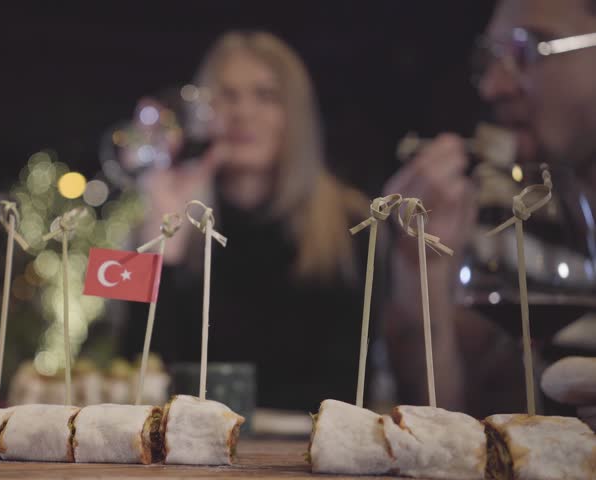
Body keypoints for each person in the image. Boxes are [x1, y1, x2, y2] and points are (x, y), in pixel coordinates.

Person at [124, 31, 371, 411]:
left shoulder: (352, 223)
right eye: (227, 96)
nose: (243, 112)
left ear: (295, 115)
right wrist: (163, 235)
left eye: (266, 96)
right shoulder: (162, 214)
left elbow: (351, 381)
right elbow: (132, 367)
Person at [385, 0, 596, 421]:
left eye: (527, 48)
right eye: (491, 58)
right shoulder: (502, 221)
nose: (493, 87)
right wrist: (421, 269)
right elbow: (449, 422)